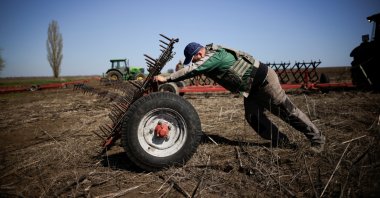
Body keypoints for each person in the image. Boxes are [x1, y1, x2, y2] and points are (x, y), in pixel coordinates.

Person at [155, 42, 325, 153]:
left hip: (264, 81)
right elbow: (194, 68)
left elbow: (192, 70)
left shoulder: (214, 56)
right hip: (250, 89)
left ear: (199, 53)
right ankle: (281, 141)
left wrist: (167, 78)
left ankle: (317, 140)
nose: (195, 62)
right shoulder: (209, 56)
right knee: (253, 116)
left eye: (194, 59)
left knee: (287, 111)